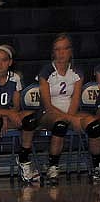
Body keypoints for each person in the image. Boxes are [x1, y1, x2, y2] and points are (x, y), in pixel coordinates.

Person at [37, 33, 100, 184]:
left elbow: (75, 100)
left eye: (65, 49)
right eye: (57, 50)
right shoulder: (46, 72)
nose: (61, 53)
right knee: (60, 124)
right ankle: (53, 168)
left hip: (71, 112)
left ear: (71, 51)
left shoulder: (77, 73)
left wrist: (72, 117)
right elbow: (47, 105)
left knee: (94, 125)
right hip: (49, 114)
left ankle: (97, 166)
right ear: (53, 52)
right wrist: (71, 119)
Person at [0, 44, 41, 182]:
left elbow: (16, 106)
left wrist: (7, 115)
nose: (0, 64)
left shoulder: (15, 78)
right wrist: (4, 115)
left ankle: (23, 160)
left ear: (10, 62)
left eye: (4, 60)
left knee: (30, 119)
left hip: (8, 116)